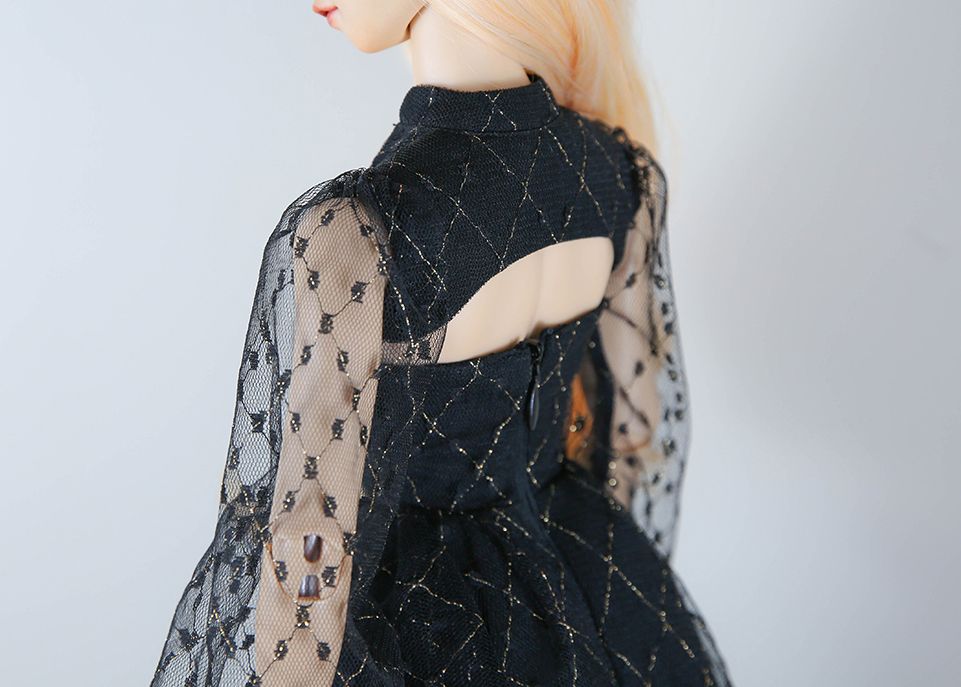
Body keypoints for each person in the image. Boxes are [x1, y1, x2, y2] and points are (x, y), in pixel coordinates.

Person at [150, 2, 733, 685]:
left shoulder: (359, 225)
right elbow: (631, 432)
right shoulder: (616, 173)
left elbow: (312, 530)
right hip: (587, 588)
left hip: (421, 629)